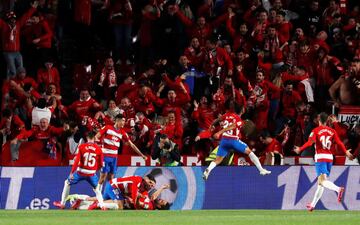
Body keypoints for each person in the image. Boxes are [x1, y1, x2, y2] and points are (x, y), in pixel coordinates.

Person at [294, 112, 354, 211]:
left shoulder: (316, 130)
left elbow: (310, 142)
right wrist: (346, 152)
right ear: (327, 121)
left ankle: (338, 189)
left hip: (320, 157)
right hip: (329, 157)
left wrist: (300, 149)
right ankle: (313, 205)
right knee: (321, 183)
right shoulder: (332, 131)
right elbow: (339, 142)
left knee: (322, 181)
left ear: (318, 120)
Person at [202, 100, 271, 180]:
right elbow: (233, 126)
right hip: (233, 141)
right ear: (242, 110)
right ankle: (261, 170)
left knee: (218, 160)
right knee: (250, 152)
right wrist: (219, 132)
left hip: (224, 141)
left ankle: (208, 170)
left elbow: (218, 119)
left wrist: (212, 125)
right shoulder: (239, 120)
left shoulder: (227, 115)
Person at [53, 131, 104, 209]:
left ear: (87, 138)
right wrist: (94, 170)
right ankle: (102, 205)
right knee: (97, 190)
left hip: (81, 172)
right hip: (91, 173)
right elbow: (101, 164)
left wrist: (71, 173)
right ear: (94, 138)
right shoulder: (99, 149)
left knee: (67, 183)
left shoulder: (82, 146)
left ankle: (62, 203)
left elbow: (76, 161)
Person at [95, 114, 147, 192]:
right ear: (117, 120)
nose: (124, 123)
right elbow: (96, 137)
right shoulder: (107, 128)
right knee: (103, 177)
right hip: (105, 156)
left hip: (114, 158)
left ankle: (108, 196)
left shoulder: (122, 133)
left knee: (111, 179)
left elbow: (132, 145)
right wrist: (97, 149)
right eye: (122, 121)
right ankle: (97, 194)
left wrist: (142, 155)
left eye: (124, 121)